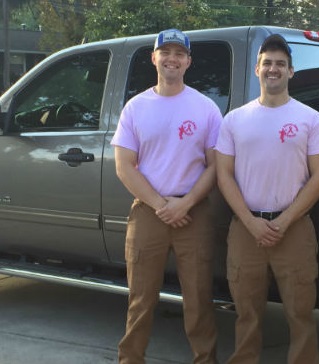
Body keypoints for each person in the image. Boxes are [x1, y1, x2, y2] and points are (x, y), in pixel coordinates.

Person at [215, 34, 319, 364]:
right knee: (246, 315)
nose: (273, 69)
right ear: (257, 69)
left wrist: (283, 221)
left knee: (300, 315)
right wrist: (251, 222)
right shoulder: (234, 120)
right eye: (267, 63)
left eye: (280, 64)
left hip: (293, 229)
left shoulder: (310, 119)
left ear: (291, 72)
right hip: (245, 228)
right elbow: (223, 175)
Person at [111, 28, 222, 364]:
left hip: (194, 212)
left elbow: (217, 166)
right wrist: (162, 206)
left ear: (188, 62)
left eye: (179, 54)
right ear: (154, 58)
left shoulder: (206, 108)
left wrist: (185, 203)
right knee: (141, 298)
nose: (172, 59)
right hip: (148, 212)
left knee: (199, 298)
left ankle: (206, 359)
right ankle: (131, 359)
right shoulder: (136, 107)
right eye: (166, 52)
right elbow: (124, 167)